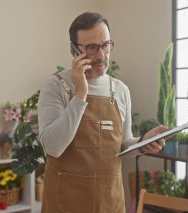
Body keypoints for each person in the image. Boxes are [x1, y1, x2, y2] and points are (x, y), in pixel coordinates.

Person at [37, 12, 167, 213]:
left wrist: (142, 143)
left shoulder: (120, 90)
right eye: (92, 48)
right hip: (65, 204)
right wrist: (80, 93)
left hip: (110, 202)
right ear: (74, 50)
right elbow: (53, 148)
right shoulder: (56, 86)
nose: (101, 55)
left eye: (106, 45)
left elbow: (123, 144)